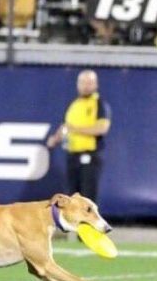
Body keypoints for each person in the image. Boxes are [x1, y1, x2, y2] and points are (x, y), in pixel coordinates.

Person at [45, 70, 112, 201]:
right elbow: (65, 127)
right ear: (77, 84)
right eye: (83, 82)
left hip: (90, 156)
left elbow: (102, 128)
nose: (86, 86)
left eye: (90, 82)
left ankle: (88, 222)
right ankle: (74, 222)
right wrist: (55, 139)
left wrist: (75, 129)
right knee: (72, 197)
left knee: (87, 198)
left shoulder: (99, 104)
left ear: (96, 85)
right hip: (72, 156)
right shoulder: (74, 105)